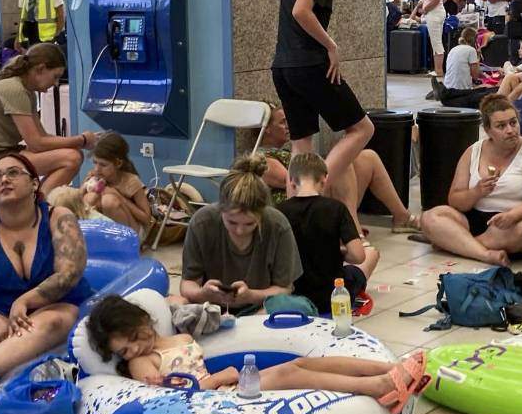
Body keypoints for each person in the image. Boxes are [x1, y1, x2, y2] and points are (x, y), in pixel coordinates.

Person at [85, 295, 428, 412]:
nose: (132, 350)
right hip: (217, 400)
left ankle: (390, 368)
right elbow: (170, 396)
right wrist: (220, 378)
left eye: (132, 338)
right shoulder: (141, 362)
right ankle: (379, 386)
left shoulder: (176, 337)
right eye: (123, 350)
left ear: (143, 320)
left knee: (301, 362)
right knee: (288, 373)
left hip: (227, 388)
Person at [0, 152, 91, 407]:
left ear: (34, 184)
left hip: (50, 307)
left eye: (13, 173)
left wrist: (24, 301)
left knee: (50, 322)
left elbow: (70, 273)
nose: (4, 180)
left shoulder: (59, 217)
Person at [271, 0, 374, 186]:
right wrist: (331, 45)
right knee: (362, 129)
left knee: (301, 144)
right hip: (309, 66)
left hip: (283, 68)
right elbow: (300, 11)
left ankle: (297, 208)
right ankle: (315, 189)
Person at [420, 95, 522, 266]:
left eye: (513, 123)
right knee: (431, 217)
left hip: (517, 219)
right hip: (476, 218)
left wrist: (513, 215)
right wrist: (477, 192)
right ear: (488, 130)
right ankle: (484, 254)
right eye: (501, 126)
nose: (510, 130)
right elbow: (455, 200)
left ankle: (455, 243)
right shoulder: (473, 151)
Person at [257, 104, 421, 236]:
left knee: (367, 157)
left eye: (288, 121)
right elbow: (298, 183)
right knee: (343, 165)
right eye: (282, 122)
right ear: (267, 129)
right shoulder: (263, 158)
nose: (288, 126)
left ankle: (401, 216)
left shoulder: (288, 151)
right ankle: (352, 230)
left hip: (321, 198)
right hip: (302, 209)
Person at [0, 43, 97, 190]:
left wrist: (81, 141)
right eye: (55, 76)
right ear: (40, 69)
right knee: (72, 158)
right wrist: (81, 140)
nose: (56, 83)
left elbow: (42, 137)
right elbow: (36, 144)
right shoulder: (15, 89)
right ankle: (37, 206)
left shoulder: (26, 90)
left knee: (73, 154)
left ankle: (37, 203)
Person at [179, 155, 302, 313]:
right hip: (213, 309)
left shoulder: (277, 225)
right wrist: (203, 294)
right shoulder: (202, 222)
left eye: (250, 224)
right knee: (177, 303)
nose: (240, 230)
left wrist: (251, 296)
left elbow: (284, 289)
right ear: (221, 210)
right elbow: (188, 284)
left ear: (261, 214)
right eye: (232, 222)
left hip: (261, 308)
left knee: (295, 306)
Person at [278, 153, 379, 313]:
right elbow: (358, 256)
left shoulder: (279, 211)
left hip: (292, 295)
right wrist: (336, 251)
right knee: (372, 252)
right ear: (324, 180)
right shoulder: (336, 208)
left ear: (291, 181)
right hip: (331, 297)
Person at [82, 133, 151, 237]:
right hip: (108, 230)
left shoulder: (131, 181)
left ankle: (125, 244)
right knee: (89, 198)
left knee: (109, 201)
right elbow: (77, 205)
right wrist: (84, 187)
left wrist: (119, 197)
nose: (97, 169)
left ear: (118, 163)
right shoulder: (94, 177)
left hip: (133, 232)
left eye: (103, 165)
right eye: (95, 162)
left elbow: (146, 219)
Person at [412, 0, 448, 88]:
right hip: (439, 11)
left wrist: (425, 8)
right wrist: (439, 5)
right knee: (436, 41)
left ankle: (439, 70)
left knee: (436, 42)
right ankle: (437, 69)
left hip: (434, 13)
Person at [440, 26, 491, 108]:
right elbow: (475, 75)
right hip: (463, 90)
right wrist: (485, 75)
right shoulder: (471, 50)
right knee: (485, 91)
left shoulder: (453, 49)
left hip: (449, 87)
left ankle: (443, 92)